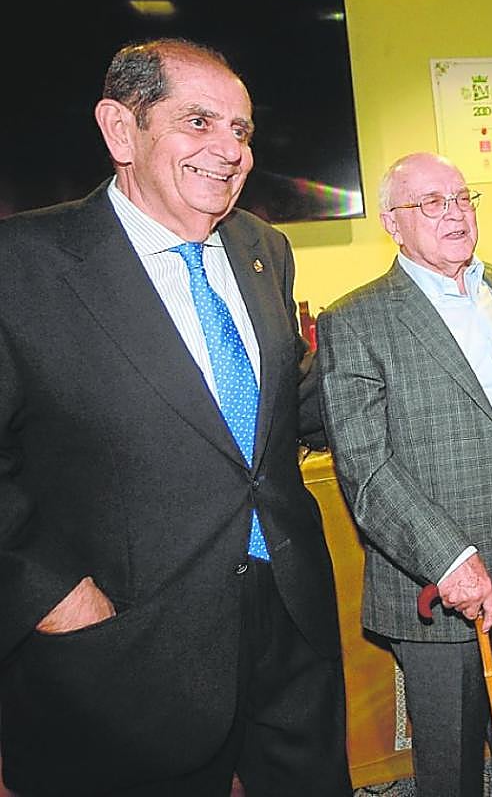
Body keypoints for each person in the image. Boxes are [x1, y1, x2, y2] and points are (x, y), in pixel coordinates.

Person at [0, 39, 350, 796]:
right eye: (199, 122)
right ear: (121, 131)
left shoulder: (264, 248)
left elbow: (285, 408)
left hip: (288, 616)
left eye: (242, 130)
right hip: (127, 640)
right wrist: (55, 598)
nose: (230, 151)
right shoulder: (20, 267)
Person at [317, 152, 492, 797]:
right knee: (452, 751)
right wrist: (448, 558)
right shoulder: (356, 319)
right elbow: (365, 467)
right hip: (440, 553)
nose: (455, 213)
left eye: (463, 198)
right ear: (393, 223)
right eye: (431, 203)